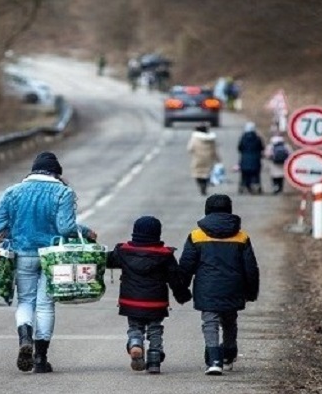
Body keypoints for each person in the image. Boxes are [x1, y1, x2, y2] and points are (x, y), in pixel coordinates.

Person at [0, 151, 97, 374]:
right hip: (53, 257)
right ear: (57, 173)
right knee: (46, 305)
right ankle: (40, 359)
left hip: (22, 254)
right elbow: (66, 228)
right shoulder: (62, 192)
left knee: (26, 301)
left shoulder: (12, 192)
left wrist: (15, 234)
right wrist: (86, 232)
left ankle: (24, 339)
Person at [178, 194, 260, 376]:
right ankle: (229, 355)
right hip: (234, 287)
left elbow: (186, 265)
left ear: (207, 210)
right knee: (230, 321)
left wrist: (181, 288)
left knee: (210, 322)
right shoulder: (241, 237)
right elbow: (251, 268)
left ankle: (214, 360)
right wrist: (251, 291)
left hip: (207, 288)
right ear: (229, 210)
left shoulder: (196, 235)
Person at [106, 216, 192, 374]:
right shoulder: (165, 255)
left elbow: (107, 260)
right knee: (155, 329)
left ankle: (135, 343)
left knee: (135, 327)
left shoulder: (123, 251)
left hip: (130, 301)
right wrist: (183, 295)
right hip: (156, 302)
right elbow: (175, 279)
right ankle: (154, 361)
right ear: (157, 233)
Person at [187, 123, 220, 196]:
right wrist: (218, 160)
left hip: (198, 159)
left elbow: (189, 148)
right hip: (209, 159)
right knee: (207, 173)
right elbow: (214, 150)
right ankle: (205, 185)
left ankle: (201, 185)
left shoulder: (194, 139)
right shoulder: (211, 139)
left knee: (198, 173)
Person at [237, 122, 265, 194]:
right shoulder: (257, 138)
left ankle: (244, 186)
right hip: (256, 160)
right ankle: (257, 186)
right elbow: (262, 147)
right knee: (256, 174)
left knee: (245, 175)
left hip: (245, 160)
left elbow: (239, 148)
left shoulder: (243, 138)